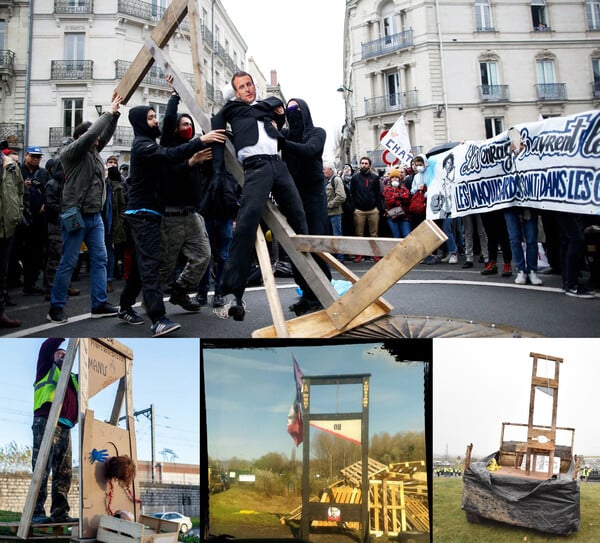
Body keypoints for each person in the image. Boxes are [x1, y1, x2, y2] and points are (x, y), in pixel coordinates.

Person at [209, 71, 309, 321]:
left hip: (278, 165)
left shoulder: (265, 106)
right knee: (245, 225)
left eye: (249, 84)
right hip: (255, 168)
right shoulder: (231, 110)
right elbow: (218, 133)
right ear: (235, 92)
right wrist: (217, 172)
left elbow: (278, 105)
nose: (247, 89)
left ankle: (310, 290)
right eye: (241, 87)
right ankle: (235, 294)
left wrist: (274, 114)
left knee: (299, 221)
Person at [118, 102, 222, 335]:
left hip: (152, 213)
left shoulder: (149, 144)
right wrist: (199, 144)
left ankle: (125, 306)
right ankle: (158, 318)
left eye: (156, 116)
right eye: (151, 117)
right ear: (139, 123)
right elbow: (169, 153)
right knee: (151, 266)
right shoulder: (143, 145)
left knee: (141, 265)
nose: (155, 120)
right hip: (143, 214)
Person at [47, 93, 122, 323]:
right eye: (94, 137)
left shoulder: (93, 154)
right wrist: (107, 112)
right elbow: (93, 134)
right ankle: (56, 308)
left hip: (94, 217)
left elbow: (104, 135)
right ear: (82, 138)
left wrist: (115, 115)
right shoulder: (71, 154)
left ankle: (99, 303)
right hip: (75, 215)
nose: (99, 140)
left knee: (100, 259)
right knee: (68, 261)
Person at [159, 79, 215, 312]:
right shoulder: (168, 148)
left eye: (189, 124)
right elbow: (170, 171)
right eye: (183, 124)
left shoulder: (196, 149)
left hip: (192, 215)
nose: (187, 127)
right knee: (165, 265)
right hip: (171, 217)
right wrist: (174, 96)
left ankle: (180, 292)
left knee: (203, 255)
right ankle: (149, 303)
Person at [280, 97, 332, 316]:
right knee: (296, 246)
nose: (292, 112)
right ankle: (307, 294)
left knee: (315, 243)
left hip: (313, 195)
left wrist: (283, 143)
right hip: (293, 195)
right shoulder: (285, 134)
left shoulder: (317, 132)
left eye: (296, 108)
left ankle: (321, 291)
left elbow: (310, 150)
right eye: (288, 108)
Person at [32, 338, 77, 523]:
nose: (62, 354)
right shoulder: (45, 367)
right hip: (46, 421)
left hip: (66, 426)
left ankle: (60, 513)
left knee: (64, 473)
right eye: (59, 353)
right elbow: (47, 346)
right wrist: (66, 336)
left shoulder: (73, 378)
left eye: (66, 354)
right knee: (41, 469)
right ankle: (36, 514)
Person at [20, 146, 50, 295]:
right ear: (26, 156)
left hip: (39, 218)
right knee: (21, 252)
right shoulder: (19, 171)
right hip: (23, 218)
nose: (35, 159)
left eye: (38, 157)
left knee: (37, 252)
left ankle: (31, 283)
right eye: (32, 156)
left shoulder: (43, 173)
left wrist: (45, 204)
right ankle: (22, 282)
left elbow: (49, 190)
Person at [0, 148, 24, 327]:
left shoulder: (10, 166)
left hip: (6, 225)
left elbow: (20, 191)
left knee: (2, 271)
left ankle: (0, 312)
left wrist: (17, 213)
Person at [350, 156, 382, 263]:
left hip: (373, 209)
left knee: (374, 233)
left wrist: (378, 208)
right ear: (360, 165)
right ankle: (359, 254)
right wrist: (354, 208)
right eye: (362, 163)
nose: (364, 165)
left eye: (366, 163)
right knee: (359, 234)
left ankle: (375, 254)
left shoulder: (375, 177)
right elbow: (352, 194)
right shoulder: (355, 178)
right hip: (359, 210)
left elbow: (378, 194)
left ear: (369, 165)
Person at [503, 207, 543, 285]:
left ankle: (532, 271)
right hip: (511, 205)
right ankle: (520, 270)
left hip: (528, 205)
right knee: (514, 239)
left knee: (531, 239)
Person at [323, 162, 346, 261]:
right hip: (326, 214)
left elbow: (341, 196)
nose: (323, 171)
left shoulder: (336, 180)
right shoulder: (326, 180)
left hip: (335, 214)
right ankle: (332, 257)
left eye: (324, 169)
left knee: (337, 236)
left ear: (330, 170)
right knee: (328, 236)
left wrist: (328, 205)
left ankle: (340, 257)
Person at [382, 167, 411, 238]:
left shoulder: (404, 189)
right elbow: (390, 202)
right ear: (390, 179)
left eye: (396, 177)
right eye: (393, 177)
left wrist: (394, 196)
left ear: (399, 179)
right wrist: (400, 197)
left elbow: (407, 198)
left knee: (407, 235)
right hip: (393, 217)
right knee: (396, 236)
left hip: (404, 216)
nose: (395, 179)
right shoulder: (387, 189)